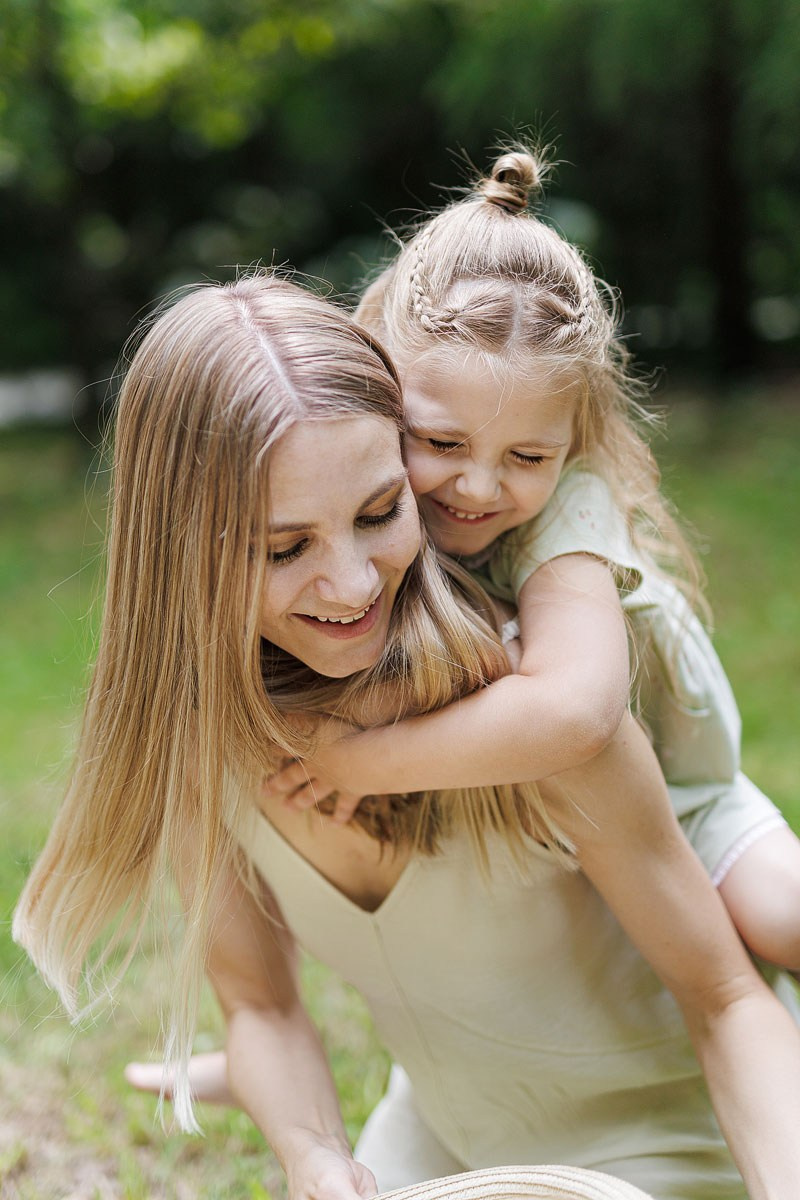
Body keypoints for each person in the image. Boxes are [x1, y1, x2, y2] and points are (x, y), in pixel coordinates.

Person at [14, 275, 800, 1200]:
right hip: (446, 1150)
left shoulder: (526, 713)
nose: (350, 587)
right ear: (179, 549)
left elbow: (727, 1000)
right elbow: (261, 1006)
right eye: (283, 548)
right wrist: (314, 1158)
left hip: (680, 1151)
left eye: (381, 513)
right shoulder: (205, 746)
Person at [264, 148, 800, 977]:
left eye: (529, 455)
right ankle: (254, 1026)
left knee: (783, 921)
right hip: (554, 844)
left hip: (691, 810)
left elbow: (575, 710)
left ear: (572, 440)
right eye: (441, 443)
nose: (479, 486)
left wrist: (357, 762)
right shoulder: (369, 511)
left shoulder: (570, 514)